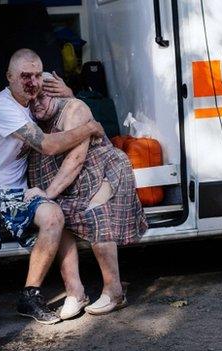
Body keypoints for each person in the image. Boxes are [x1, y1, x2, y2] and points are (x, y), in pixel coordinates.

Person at [0, 49, 105, 337]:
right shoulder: (2, 105)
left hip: (15, 192)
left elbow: (69, 104)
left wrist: (68, 91)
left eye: (37, 76)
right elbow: (47, 145)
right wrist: (89, 128)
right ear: (9, 77)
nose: (33, 82)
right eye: (25, 76)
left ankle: (30, 295)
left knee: (53, 215)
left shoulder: (34, 97)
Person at [27, 81, 147, 319]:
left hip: (104, 171)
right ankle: (75, 292)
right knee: (57, 216)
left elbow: (76, 159)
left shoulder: (74, 110)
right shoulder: (37, 119)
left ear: (55, 95)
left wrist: (48, 192)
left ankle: (115, 291)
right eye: (31, 100)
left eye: (42, 97)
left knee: (96, 213)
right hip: (73, 182)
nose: (36, 104)